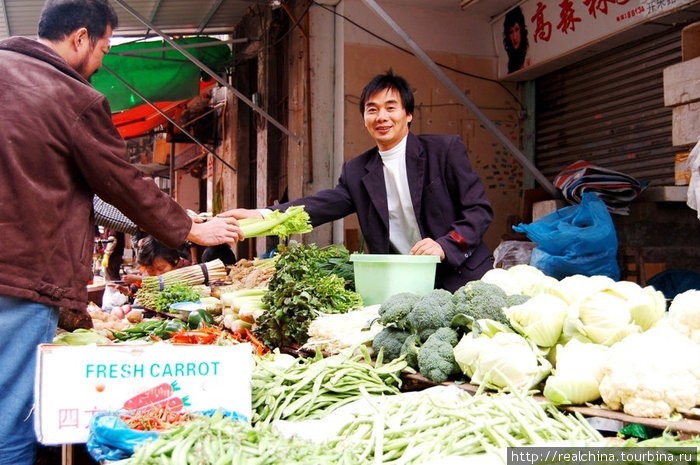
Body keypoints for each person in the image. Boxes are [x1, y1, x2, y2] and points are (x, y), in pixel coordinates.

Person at [0, 1, 242, 463]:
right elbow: (121, 183)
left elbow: (89, 197)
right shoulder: (74, 98)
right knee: (11, 418)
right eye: (106, 46)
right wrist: (192, 228)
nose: (104, 58)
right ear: (80, 38)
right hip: (20, 278)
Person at [223, 70, 494, 293]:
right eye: (372, 109)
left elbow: (479, 210)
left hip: (463, 275)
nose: (382, 117)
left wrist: (444, 244)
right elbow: (320, 205)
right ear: (365, 118)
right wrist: (264, 215)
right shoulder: (357, 171)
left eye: (391, 108)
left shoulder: (443, 151)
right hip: (406, 284)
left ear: (408, 114)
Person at [503, 6, 529, 73]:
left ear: (522, 30)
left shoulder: (528, 59)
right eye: (511, 32)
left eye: (517, 30)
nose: (514, 37)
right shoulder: (510, 62)